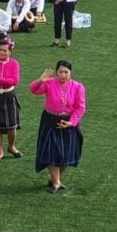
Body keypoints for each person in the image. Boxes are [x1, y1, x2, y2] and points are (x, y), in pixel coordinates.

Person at [30, 61, 86, 193]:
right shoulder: (49, 83)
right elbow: (34, 90)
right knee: (52, 152)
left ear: (70, 73)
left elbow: (80, 107)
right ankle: (56, 183)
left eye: (66, 72)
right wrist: (40, 80)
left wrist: (71, 122)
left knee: (66, 154)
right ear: (56, 72)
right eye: (61, 72)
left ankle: (54, 178)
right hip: (50, 121)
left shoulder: (78, 87)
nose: (63, 75)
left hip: (68, 123)